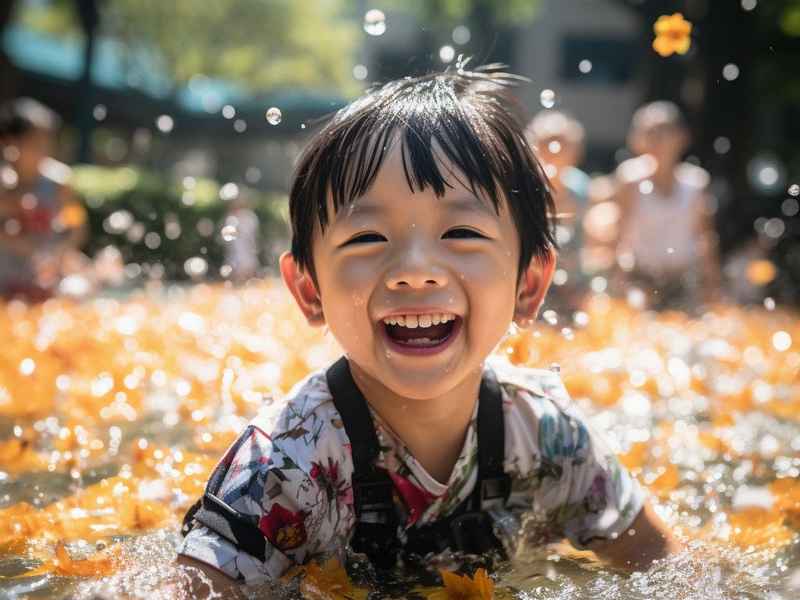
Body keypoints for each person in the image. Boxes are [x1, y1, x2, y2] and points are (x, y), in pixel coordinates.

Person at [176, 66, 681, 597]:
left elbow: (669, 568)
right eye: (367, 236)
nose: (415, 269)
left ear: (529, 284)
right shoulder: (284, 464)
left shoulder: (549, 437)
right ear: (309, 289)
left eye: (461, 232)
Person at [613, 101, 719, 309]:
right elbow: (620, 235)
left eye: (664, 131)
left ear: (682, 137)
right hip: (641, 277)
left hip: (684, 279)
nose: (657, 139)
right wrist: (619, 282)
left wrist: (712, 286)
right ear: (637, 139)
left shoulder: (696, 183)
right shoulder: (629, 180)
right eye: (650, 132)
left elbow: (705, 238)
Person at [0, 97, 87, 301]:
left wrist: (56, 253)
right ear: (10, 143)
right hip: (5, 273)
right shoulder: (3, 184)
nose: (44, 151)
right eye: (36, 143)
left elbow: (78, 227)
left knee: (76, 289)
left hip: (44, 274)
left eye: (48, 142)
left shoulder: (59, 184)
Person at [525, 110, 591, 310]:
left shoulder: (580, 187)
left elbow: (586, 241)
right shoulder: (523, 190)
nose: (556, 150)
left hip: (571, 285)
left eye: (564, 144)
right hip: (531, 283)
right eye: (548, 142)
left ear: (576, 151)